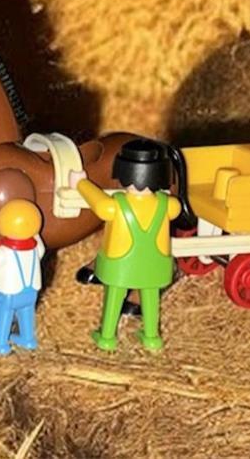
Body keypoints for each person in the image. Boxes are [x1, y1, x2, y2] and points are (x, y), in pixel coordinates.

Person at [71, 139, 193, 351]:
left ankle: (107, 337)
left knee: (113, 298)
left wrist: (81, 183)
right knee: (151, 299)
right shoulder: (168, 205)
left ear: (123, 172)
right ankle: (152, 337)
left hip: (121, 265)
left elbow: (99, 204)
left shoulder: (116, 205)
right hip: (154, 265)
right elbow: (177, 207)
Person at [0, 200, 45, 355]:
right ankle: (27, 339)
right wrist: (34, 232)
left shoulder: (1, 252)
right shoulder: (35, 248)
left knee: (4, 315)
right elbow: (41, 249)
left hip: (9, 293)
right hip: (31, 292)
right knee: (26, 315)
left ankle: (0, 344)